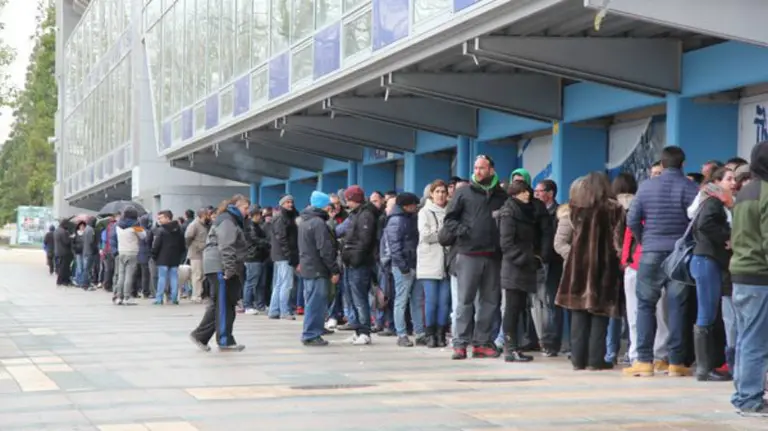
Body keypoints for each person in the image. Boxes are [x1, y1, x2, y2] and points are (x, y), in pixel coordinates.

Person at [625, 146, 699, 377]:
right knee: (678, 306)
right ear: (682, 164)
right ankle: (676, 362)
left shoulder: (646, 187)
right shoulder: (690, 187)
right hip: (679, 254)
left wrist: (643, 240)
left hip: (651, 252)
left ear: (662, 164)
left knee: (645, 305)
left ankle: (645, 361)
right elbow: (697, 219)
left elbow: (632, 219)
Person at [556, 172, 625, 370]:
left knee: (578, 312)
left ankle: (578, 360)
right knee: (600, 314)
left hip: (578, 266)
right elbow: (617, 240)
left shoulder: (575, 209)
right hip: (604, 267)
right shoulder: (615, 209)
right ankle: (596, 360)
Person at [442, 154, 507, 360]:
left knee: (489, 302)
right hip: (468, 254)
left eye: (482, 168)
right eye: (476, 168)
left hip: (493, 255)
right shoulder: (463, 193)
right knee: (465, 302)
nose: (478, 171)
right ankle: (459, 344)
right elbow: (449, 220)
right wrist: (463, 230)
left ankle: (482, 343)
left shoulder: (501, 196)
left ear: (491, 170)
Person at [729, 141, 768, 416]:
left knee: (745, 339)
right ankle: (750, 399)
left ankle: (743, 394)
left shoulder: (744, 193)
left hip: (741, 274)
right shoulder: (766, 192)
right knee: (755, 341)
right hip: (759, 277)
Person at [689, 168, 735, 382]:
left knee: (707, 312)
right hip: (707, 259)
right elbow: (705, 224)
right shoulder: (713, 201)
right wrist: (726, 238)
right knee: (706, 313)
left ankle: (705, 366)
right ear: (717, 181)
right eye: (729, 179)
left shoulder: (712, 199)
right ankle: (704, 368)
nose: (733, 183)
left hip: (706, 260)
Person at [190, 195, 250, 352]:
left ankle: (201, 335)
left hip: (219, 265)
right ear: (236, 206)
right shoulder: (227, 221)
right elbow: (226, 246)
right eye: (245, 208)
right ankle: (224, 340)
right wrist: (230, 269)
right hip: (220, 266)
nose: (247, 212)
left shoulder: (230, 219)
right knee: (223, 304)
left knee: (224, 303)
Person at [498, 180, 547, 363]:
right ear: (514, 194)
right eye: (522, 192)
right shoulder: (509, 212)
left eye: (528, 191)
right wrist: (526, 259)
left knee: (518, 308)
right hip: (514, 267)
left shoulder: (526, 211)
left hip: (524, 266)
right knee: (512, 308)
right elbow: (506, 244)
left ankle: (514, 347)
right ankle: (510, 348)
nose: (527, 195)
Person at [298, 191, 340, 346]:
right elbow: (325, 250)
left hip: (308, 267)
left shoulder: (304, 221)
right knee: (316, 302)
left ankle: (314, 329)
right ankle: (311, 334)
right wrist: (334, 270)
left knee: (312, 302)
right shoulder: (318, 223)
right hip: (317, 268)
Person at [341, 185, 380, 345]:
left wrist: (354, 258)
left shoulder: (365, 215)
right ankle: (358, 330)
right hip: (352, 262)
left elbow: (364, 241)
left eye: (348, 199)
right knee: (352, 297)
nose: (346, 203)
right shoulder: (357, 214)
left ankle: (364, 331)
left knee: (359, 298)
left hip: (359, 263)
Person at [417, 180, 451, 348]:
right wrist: (445, 233)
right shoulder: (424, 212)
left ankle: (441, 333)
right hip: (429, 261)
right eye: (437, 191)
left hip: (447, 262)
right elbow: (425, 235)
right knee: (431, 300)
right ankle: (430, 334)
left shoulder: (452, 210)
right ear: (431, 193)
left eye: (443, 191)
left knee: (445, 301)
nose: (441, 195)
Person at [385, 192, 421, 347]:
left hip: (411, 264)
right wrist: (404, 267)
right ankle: (401, 334)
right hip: (404, 266)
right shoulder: (397, 221)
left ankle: (419, 332)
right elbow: (395, 247)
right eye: (414, 204)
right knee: (402, 300)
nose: (416, 207)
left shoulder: (407, 218)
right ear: (406, 206)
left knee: (414, 300)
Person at [268, 195, 299, 320]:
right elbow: (282, 237)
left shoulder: (282, 216)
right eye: (287, 202)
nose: (290, 204)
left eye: (291, 202)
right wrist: (289, 254)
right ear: (282, 204)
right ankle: (284, 311)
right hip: (283, 255)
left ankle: (274, 310)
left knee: (279, 284)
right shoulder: (282, 218)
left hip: (279, 254)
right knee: (286, 284)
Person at [111, 207, 147, 305]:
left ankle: (119, 297)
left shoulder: (117, 225)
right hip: (131, 252)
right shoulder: (135, 226)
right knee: (129, 276)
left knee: (121, 276)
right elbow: (143, 235)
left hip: (121, 251)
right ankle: (127, 297)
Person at [152, 210, 186, 305]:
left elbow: (156, 244)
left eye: (161, 218)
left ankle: (159, 298)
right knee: (174, 278)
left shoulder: (161, 230)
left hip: (162, 257)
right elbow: (182, 245)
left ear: (167, 218)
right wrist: (180, 255)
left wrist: (154, 255)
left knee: (162, 278)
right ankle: (174, 298)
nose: (159, 220)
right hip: (175, 257)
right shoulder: (179, 230)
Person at [243, 205, 270, 314]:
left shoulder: (257, 225)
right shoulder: (250, 226)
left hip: (260, 257)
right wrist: (268, 243)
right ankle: (247, 305)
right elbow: (255, 240)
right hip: (253, 258)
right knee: (251, 282)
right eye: (259, 214)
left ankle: (260, 305)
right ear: (254, 215)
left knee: (261, 283)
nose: (261, 217)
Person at [185, 208, 211, 303]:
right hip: (196, 254)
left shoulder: (206, 225)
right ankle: (196, 295)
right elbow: (188, 237)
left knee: (202, 275)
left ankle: (200, 293)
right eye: (207, 215)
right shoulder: (194, 225)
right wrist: (194, 247)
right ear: (202, 215)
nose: (209, 216)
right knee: (197, 275)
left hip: (204, 252)